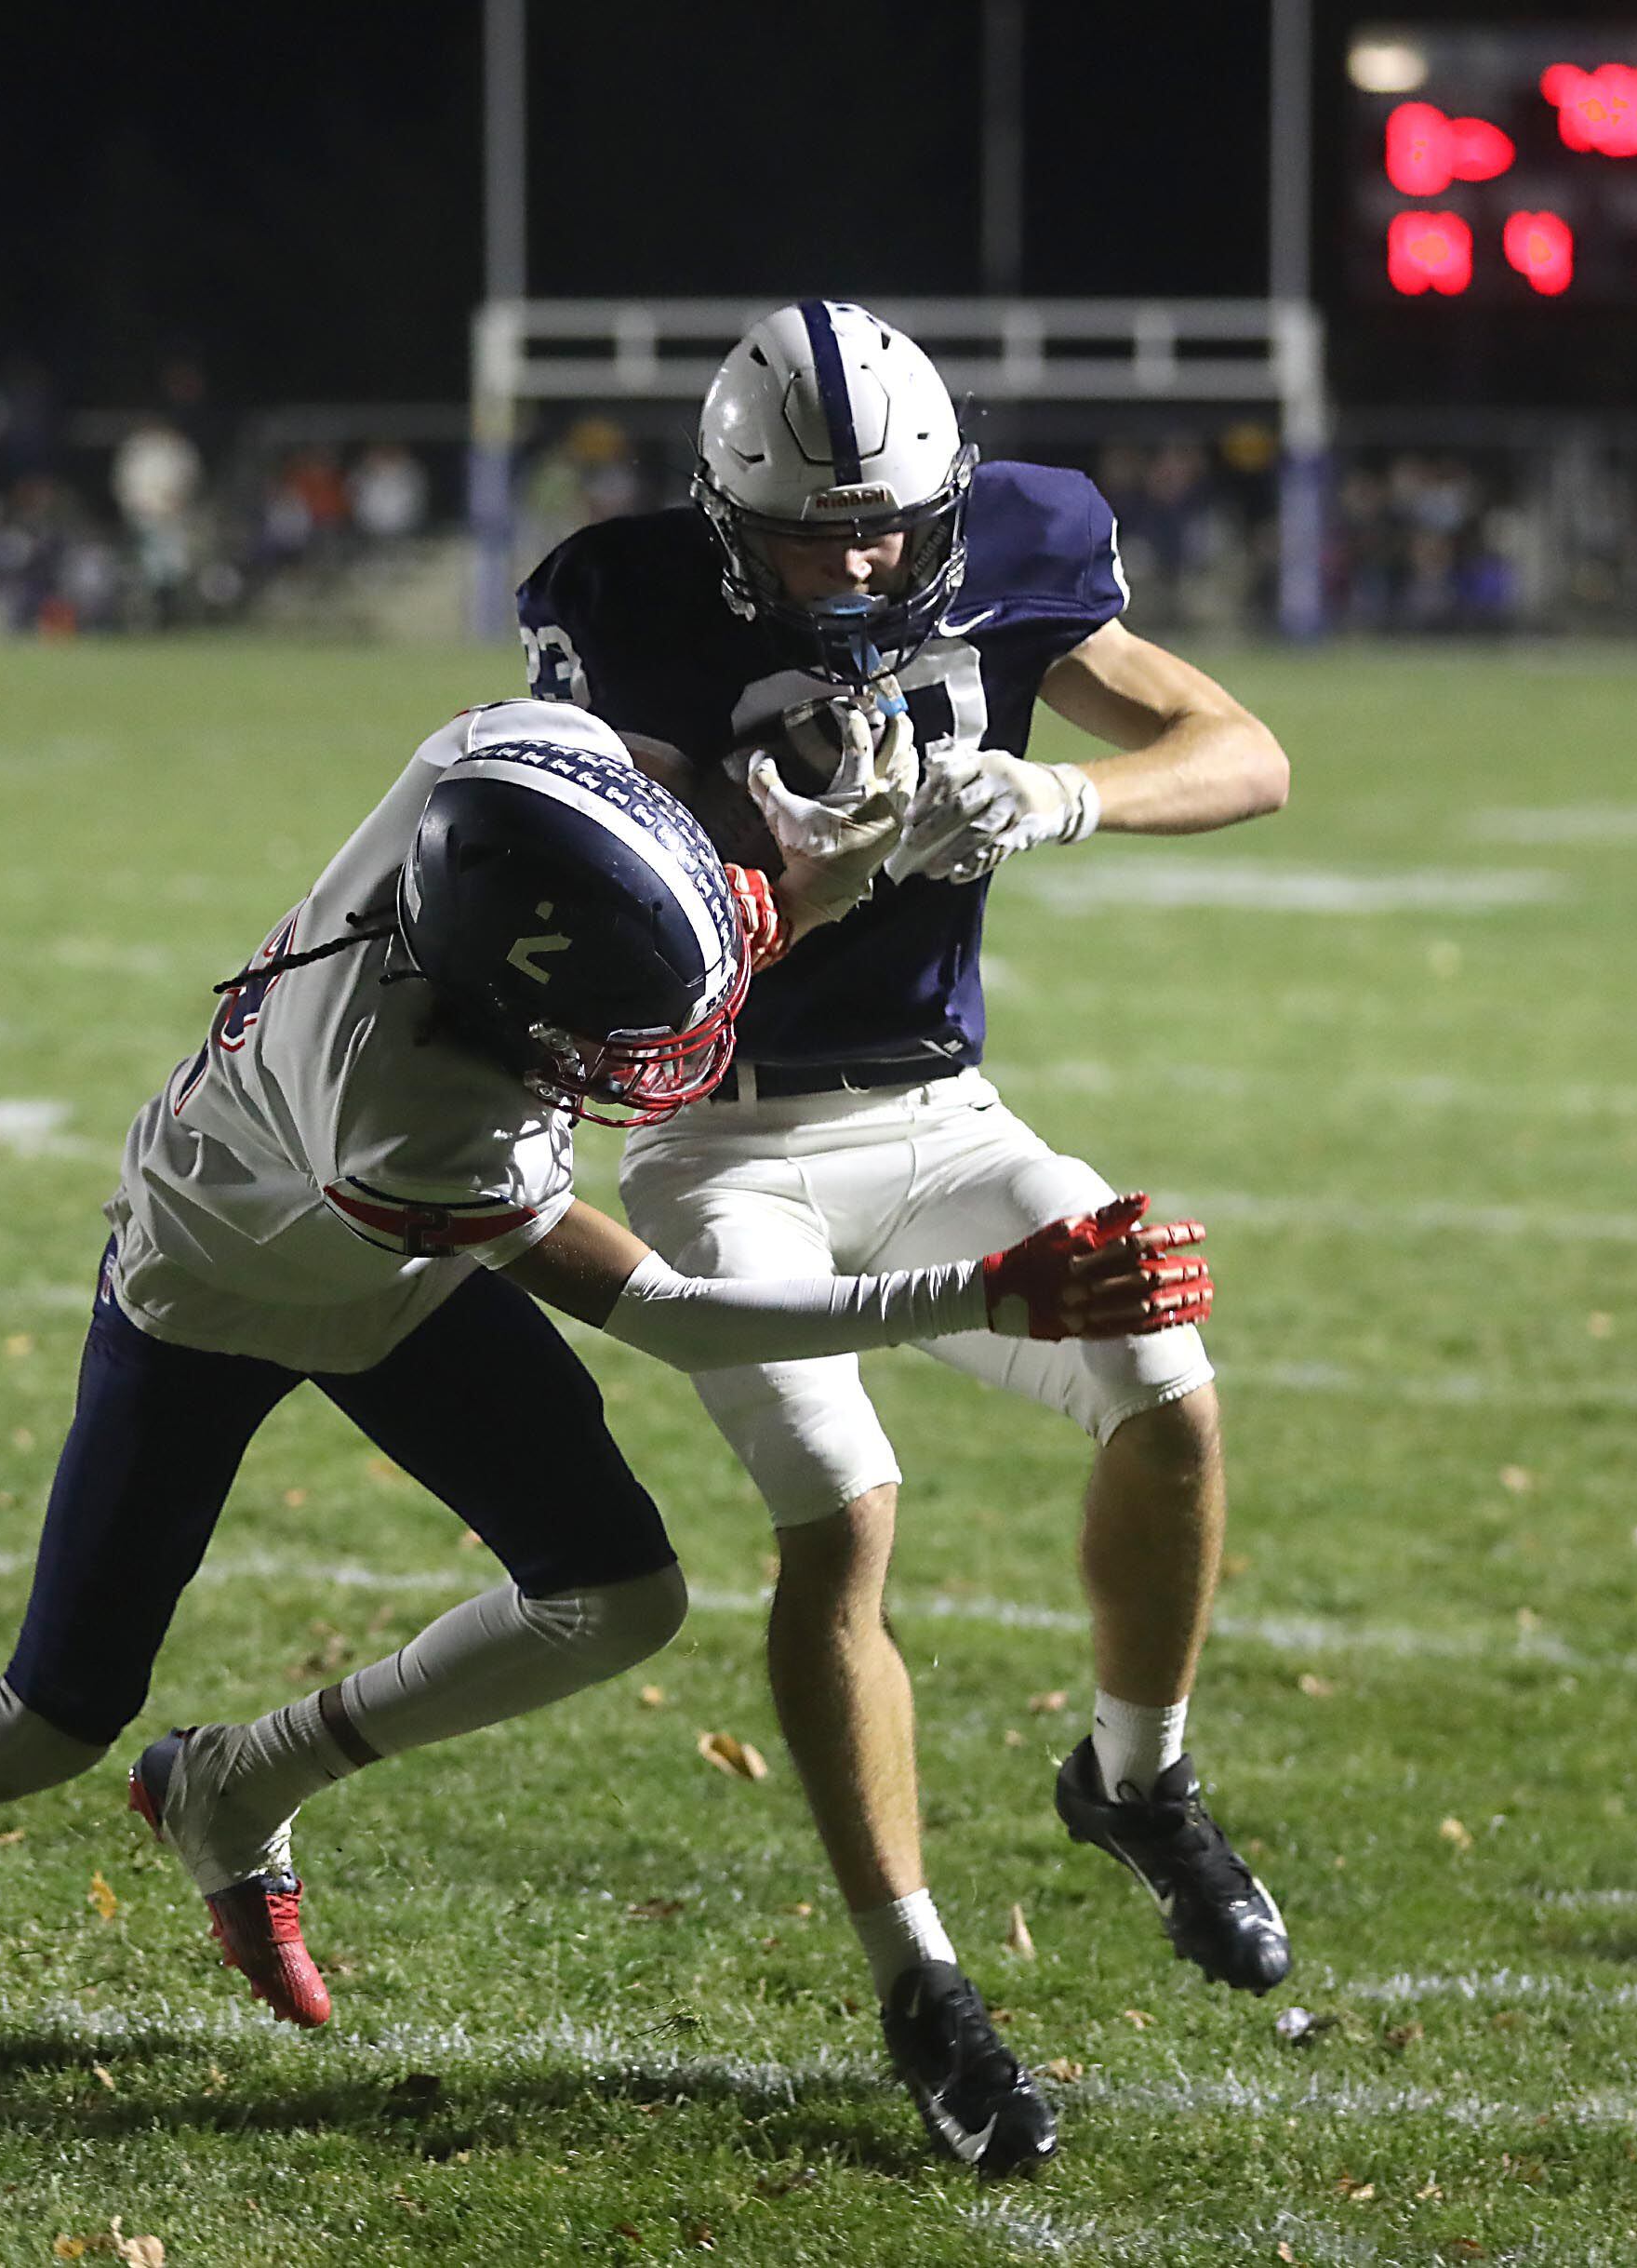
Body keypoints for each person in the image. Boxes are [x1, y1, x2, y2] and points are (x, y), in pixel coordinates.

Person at [0, 704, 1210, 2182]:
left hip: (391, 1278)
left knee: (617, 1596)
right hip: (214, 1290)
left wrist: (792, 829)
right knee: (56, 1708)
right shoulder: (417, 1111)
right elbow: (681, 1314)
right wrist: (993, 1292)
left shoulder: (507, 762)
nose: (625, 1066)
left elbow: (632, 804)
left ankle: (241, 1782)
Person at [515, 301, 1296, 2170]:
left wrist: (1065, 790)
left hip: (942, 1113)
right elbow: (585, 886)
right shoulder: (625, 605)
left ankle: (1139, 1775)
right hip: (720, 1146)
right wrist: (781, 862)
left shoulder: (1021, 541)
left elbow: (1244, 747)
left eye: (889, 523)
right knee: (843, 1513)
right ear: (725, 518)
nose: (861, 559)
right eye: (815, 531)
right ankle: (922, 1976)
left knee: (1169, 1390)